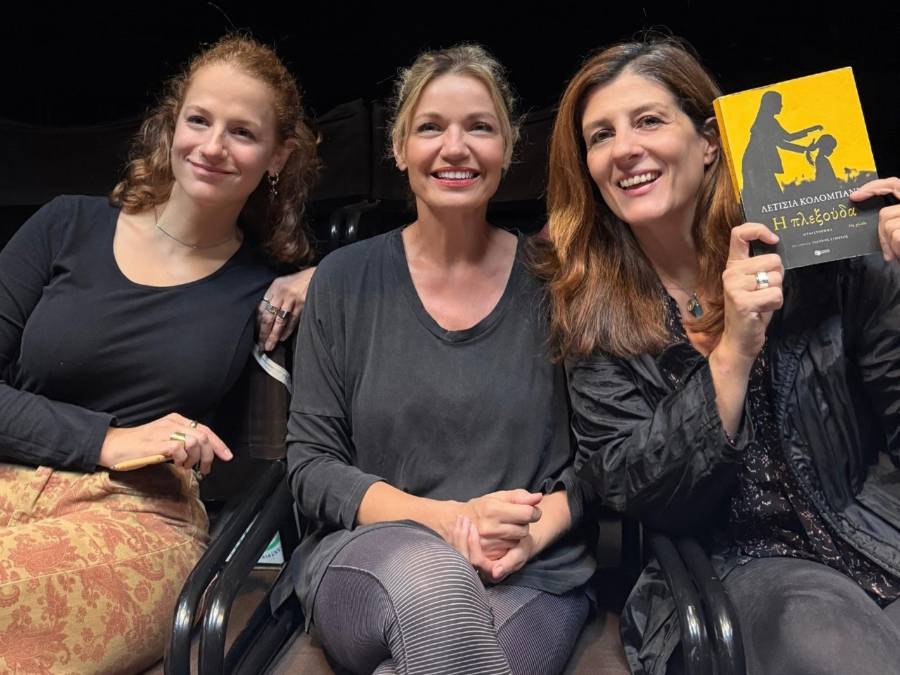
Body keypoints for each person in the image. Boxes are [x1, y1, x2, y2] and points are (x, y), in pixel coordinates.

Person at [536, 36, 900, 675]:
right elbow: (633, 490)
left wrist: (894, 274)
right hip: (740, 566)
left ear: (709, 141)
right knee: (824, 639)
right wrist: (732, 351)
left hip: (877, 531)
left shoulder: (820, 250)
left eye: (649, 120)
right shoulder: (591, 308)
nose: (625, 149)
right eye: (601, 136)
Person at [0, 34, 318, 672]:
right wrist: (105, 439)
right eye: (198, 120)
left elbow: (412, 260)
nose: (212, 146)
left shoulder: (262, 285)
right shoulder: (65, 226)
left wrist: (325, 275)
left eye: (242, 132)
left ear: (278, 155)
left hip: (139, 516)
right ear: (172, 125)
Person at [286, 44, 594, 674]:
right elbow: (311, 467)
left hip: (529, 569)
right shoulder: (342, 281)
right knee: (437, 584)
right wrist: (448, 522)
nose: (455, 148)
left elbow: (601, 460)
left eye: (479, 127)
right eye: (430, 128)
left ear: (508, 148)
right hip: (373, 556)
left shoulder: (560, 283)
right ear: (400, 149)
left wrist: (532, 528)